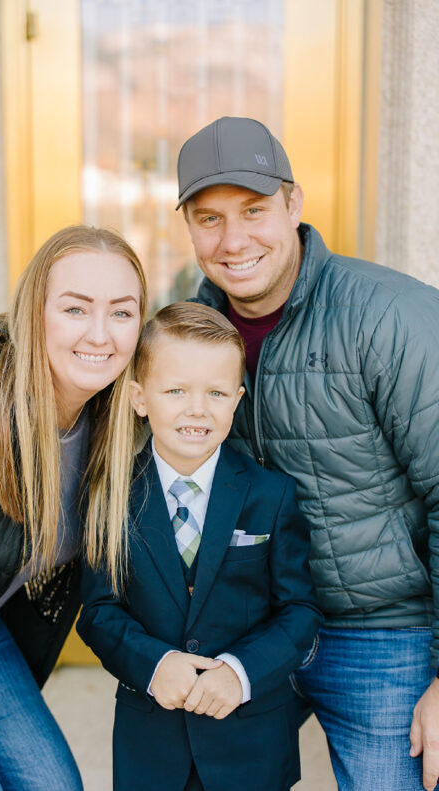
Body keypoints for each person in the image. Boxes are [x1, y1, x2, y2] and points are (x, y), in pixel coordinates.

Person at [180, 115, 439, 791]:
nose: (233, 241)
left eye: (255, 211)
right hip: (252, 625)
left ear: (294, 204)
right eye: (209, 218)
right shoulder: (186, 337)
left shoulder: (391, 317)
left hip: (384, 628)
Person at [0, 225, 148, 791]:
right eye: (75, 308)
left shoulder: (109, 425)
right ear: (34, 314)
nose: (100, 334)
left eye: (121, 312)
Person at [76, 302, 322, 791]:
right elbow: (99, 612)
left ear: (237, 398)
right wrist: (154, 664)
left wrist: (240, 671)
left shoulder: (270, 494)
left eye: (215, 392)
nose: (197, 408)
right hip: (152, 746)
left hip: (251, 745)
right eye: (176, 391)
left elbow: (299, 612)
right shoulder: (108, 495)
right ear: (139, 398)